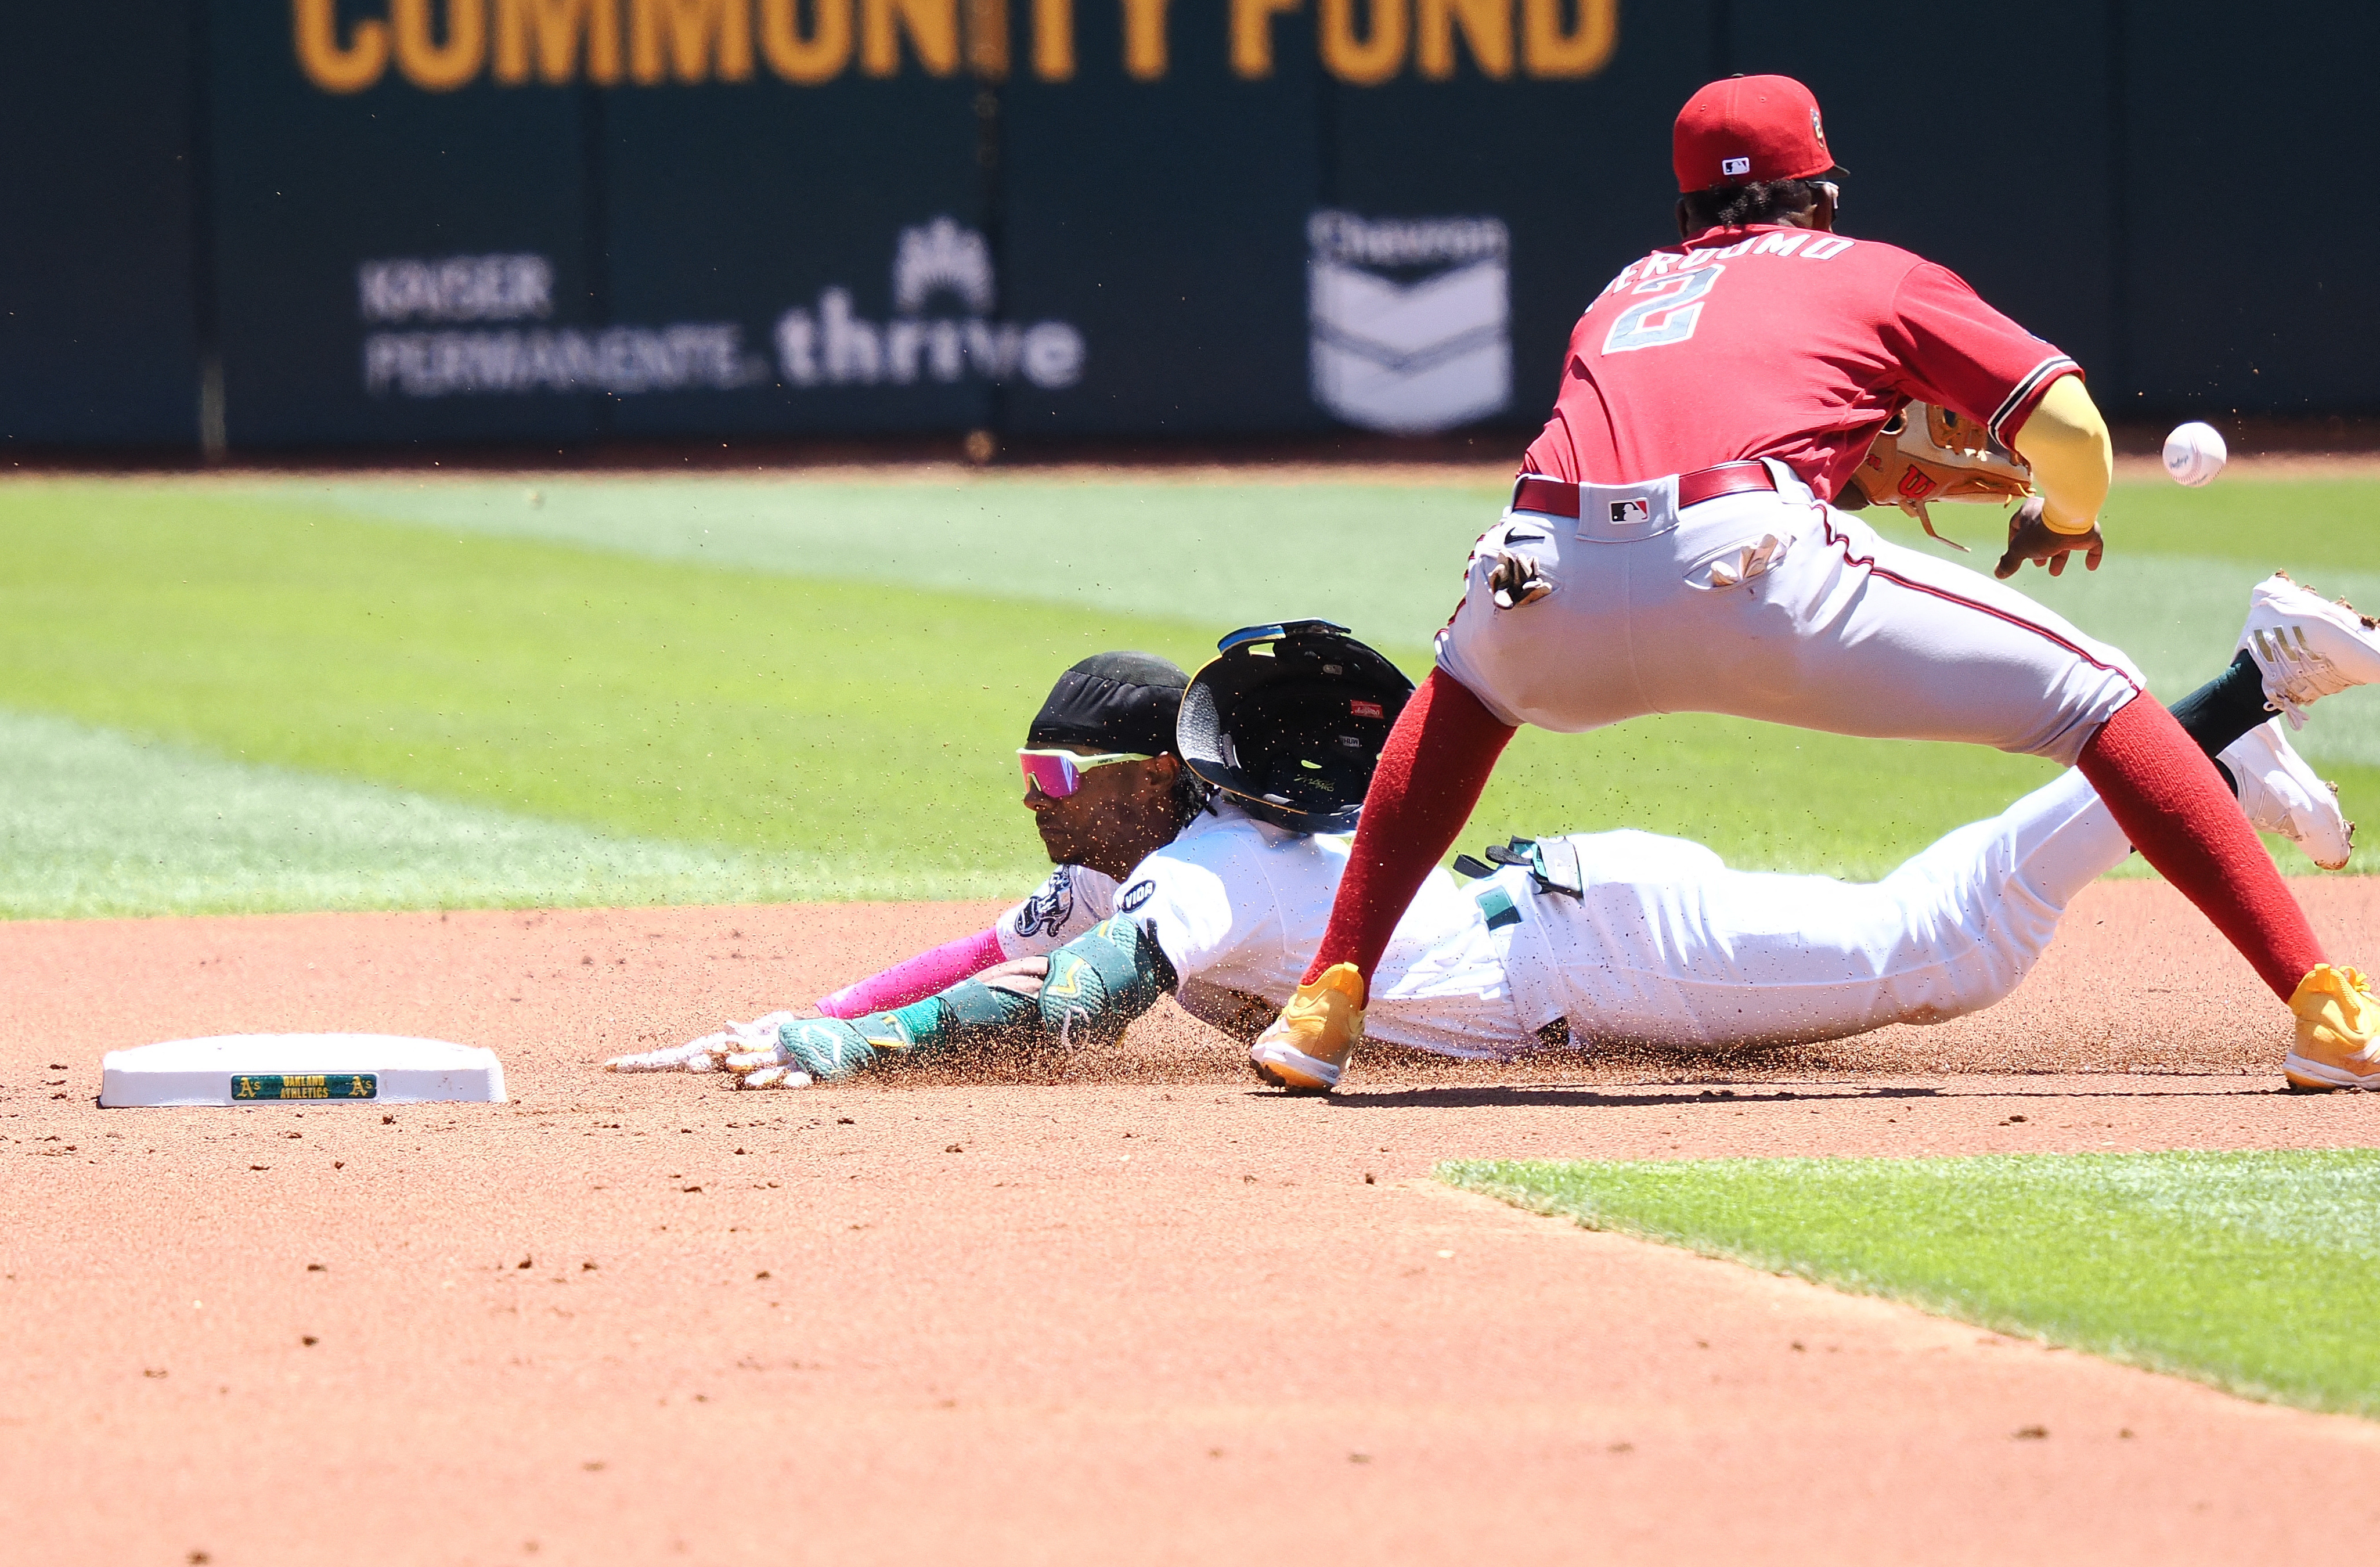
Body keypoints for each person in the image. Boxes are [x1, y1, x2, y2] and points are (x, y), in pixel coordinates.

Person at [1243, 74, 2379, 1096]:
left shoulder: (1619, 292)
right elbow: (2072, 431)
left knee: (1466, 692)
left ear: (1686, 216)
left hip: (1539, 574)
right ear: (1824, 197)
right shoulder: (1873, 270)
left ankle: (1326, 1003)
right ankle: (2322, 1006)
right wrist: (2060, 514)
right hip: (1749, 561)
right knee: (2103, 700)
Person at [610, 591, 2365, 1089]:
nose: (1040, 808)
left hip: (1615, 950)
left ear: (1158, 774)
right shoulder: (1168, 858)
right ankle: (2230, 725)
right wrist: (807, 1011)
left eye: (1066, 784)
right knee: (1939, 932)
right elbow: (998, 949)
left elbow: (1070, 1009)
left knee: (1949, 949)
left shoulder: (1211, 875)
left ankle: (2228, 696)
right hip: (1584, 931)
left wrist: (850, 1058)